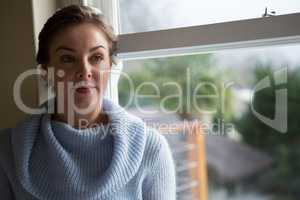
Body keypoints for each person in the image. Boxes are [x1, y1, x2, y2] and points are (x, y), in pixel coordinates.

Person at [0, 5, 176, 200]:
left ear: (110, 65)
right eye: (67, 58)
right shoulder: (8, 151)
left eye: (96, 57)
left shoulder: (150, 149)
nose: (84, 70)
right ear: (45, 70)